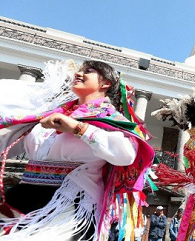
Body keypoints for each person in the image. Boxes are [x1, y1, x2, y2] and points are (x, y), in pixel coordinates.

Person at [0, 60, 154, 240]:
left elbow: (125, 155)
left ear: (105, 83)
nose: (78, 74)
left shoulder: (111, 119)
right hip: (23, 196)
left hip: (69, 204)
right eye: (79, 71)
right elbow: (8, 140)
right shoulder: (48, 114)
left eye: (88, 71)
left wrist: (78, 128)